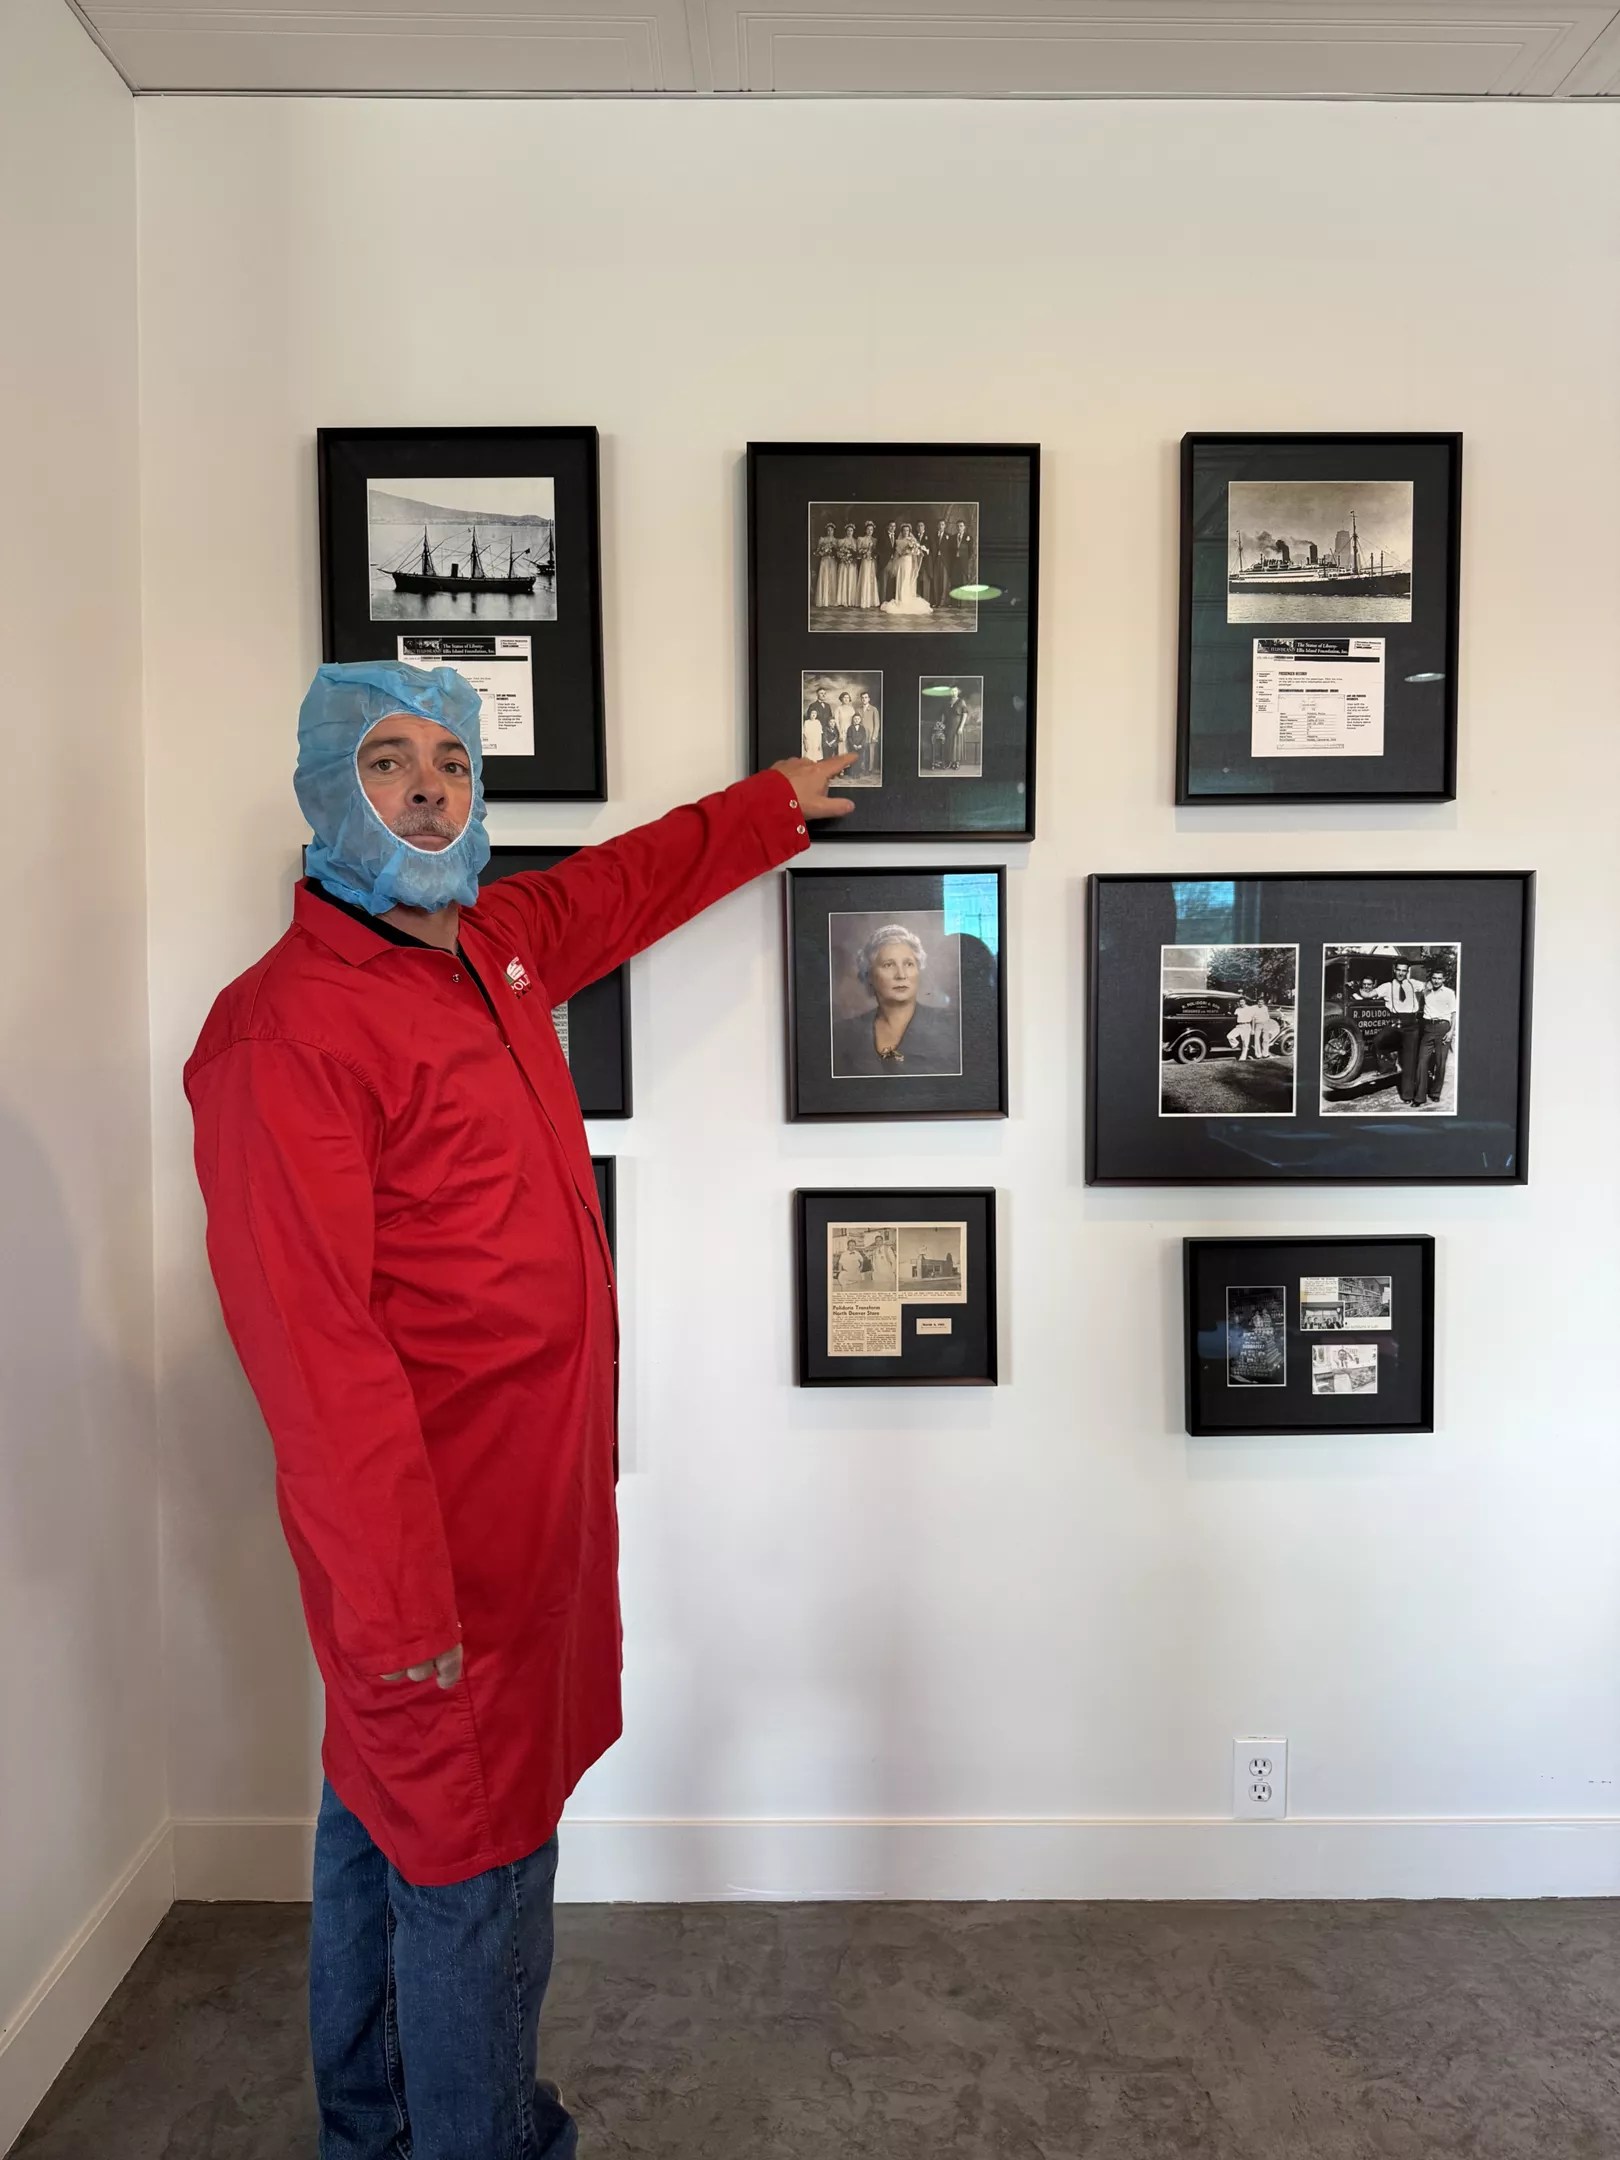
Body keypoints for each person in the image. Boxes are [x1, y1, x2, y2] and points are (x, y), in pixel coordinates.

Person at [185, 659, 856, 2157]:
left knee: (385, 1825)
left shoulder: (490, 948)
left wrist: (770, 805)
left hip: (524, 1513)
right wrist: (395, 1601)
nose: (429, 789)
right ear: (326, 791)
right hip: (429, 1550)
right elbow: (312, 1356)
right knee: (475, 1868)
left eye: (452, 764)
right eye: (388, 762)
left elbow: (623, 887)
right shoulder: (284, 1032)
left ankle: (377, 2134)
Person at [830, 922, 961, 1076]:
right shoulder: (842, 1034)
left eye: (909, 964)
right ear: (869, 974)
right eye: (888, 965)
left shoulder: (952, 1027)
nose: (901, 975)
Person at [1369, 958, 1424, 1102]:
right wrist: (1355, 988)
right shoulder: (1387, 986)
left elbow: (1428, 987)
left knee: (1409, 1062)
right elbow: (1368, 994)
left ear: (1407, 971)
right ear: (1394, 970)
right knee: (1378, 1040)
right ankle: (1390, 1065)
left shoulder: (1413, 983)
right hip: (1396, 1023)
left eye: (1404, 971)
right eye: (1398, 970)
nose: (1401, 973)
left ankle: (1407, 1095)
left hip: (1412, 1024)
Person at [1414, 960, 1458, 1106]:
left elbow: (1453, 1014)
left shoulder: (1449, 993)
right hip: (1428, 1028)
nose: (1436, 981)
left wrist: (1451, 1032)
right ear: (1430, 979)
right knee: (1422, 1062)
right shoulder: (1426, 991)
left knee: (1440, 1063)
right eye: (1434, 978)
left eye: (1439, 978)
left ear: (1443, 979)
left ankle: (1435, 1092)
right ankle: (1419, 1097)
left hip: (1443, 1028)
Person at [881, 524, 932, 617]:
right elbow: (897, 554)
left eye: (907, 530)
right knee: (901, 580)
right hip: (901, 563)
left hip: (909, 563)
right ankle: (900, 599)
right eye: (904, 530)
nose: (905, 532)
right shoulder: (899, 541)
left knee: (907, 580)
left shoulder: (912, 540)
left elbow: (916, 553)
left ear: (909, 532)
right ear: (902, 531)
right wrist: (904, 552)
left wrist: (916, 551)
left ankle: (907, 599)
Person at [802, 681, 835, 761]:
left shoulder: (827, 706)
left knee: (827, 751)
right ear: (817, 694)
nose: (823, 695)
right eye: (821, 693)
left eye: (824, 693)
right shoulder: (813, 705)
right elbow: (809, 720)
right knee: (817, 752)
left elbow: (830, 719)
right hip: (816, 733)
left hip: (827, 732)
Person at [854, 686, 880, 778]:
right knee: (862, 752)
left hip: (870, 734)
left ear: (869, 699)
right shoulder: (858, 709)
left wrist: (874, 735)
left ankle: (869, 769)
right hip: (861, 735)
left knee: (870, 752)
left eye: (866, 697)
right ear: (861, 699)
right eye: (862, 698)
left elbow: (877, 724)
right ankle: (862, 768)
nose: (864, 699)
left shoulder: (874, 709)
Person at [854, 520, 880, 610]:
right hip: (865, 561)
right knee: (865, 577)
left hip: (872, 561)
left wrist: (873, 554)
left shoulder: (875, 540)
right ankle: (863, 600)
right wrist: (864, 552)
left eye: (871, 529)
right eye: (868, 529)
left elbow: (876, 551)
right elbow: (858, 551)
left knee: (872, 578)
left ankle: (872, 600)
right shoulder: (861, 539)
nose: (870, 531)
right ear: (865, 530)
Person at [813, 523, 838, 611]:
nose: (829, 532)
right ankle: (823, 599)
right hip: (824, 561)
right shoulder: (822, 539)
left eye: (831, 530)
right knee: (824, 577)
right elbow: (818, 550)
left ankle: (831, 599)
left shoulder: (836, 540)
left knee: (832, 577)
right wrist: (823, 551)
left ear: (833, 531)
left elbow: (837, 552)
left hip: (832, 561)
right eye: (828, 530)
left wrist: (833, 550)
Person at [834, 523, 858, 608]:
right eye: (848, 530)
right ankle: (842, 600)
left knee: (851, 580)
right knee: (843, 579)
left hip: (852, 564)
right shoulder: (841, 541)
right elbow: (838, 553)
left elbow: (857, 554)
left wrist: (852, 558)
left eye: (851, 531)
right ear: (846, 531)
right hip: (843, 564)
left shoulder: (856, 541)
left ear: (853, 531)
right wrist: (843, 556)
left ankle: (850, 600)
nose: (849, 532)